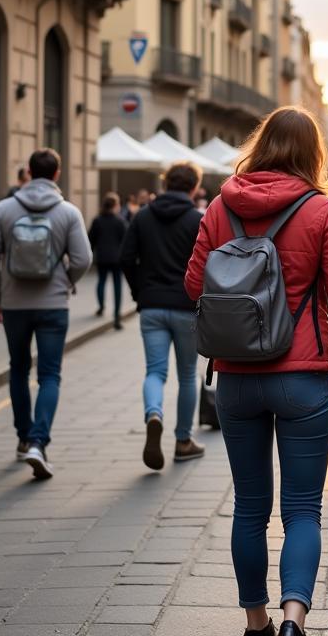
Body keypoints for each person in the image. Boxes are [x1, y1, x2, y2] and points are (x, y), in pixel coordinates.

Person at [185, 107, 328, 636]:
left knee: (249, 506)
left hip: (236, 376)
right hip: (302, 373)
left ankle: (255, 621)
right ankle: (293, 618)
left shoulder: (220, 206)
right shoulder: (321, 209)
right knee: (303, 507)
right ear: (312, 153)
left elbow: (195, 285)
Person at [0, 148, 92, 480]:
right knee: (49, 375)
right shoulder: (68, 212)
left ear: (28, 172)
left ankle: (22, 436)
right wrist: (66, 283)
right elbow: (84, 258)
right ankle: (38, 442)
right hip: (53, 305)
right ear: (57, 174)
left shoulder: (3, 209)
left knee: (17, 369)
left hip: (14, 304)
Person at [120, 162, 206, 469]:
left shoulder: (143, 216)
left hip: (152, 305)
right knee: (187, 375)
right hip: (186, 306)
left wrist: (138, 292)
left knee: (155, 371)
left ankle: (153, 413)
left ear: (165, 183)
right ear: (194, 187)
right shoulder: (198, 219)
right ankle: (183, 441)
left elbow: (126, 258)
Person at [88, 192, 128, 326]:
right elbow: (126, 240)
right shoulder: (120, 221)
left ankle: (101, 307)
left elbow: (90, 240)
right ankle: (117, 316)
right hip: (117, 258)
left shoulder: (97, 220)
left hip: (102, 257)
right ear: (116, 205)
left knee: (101, 282)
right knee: (117, 286)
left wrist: (91, 255)